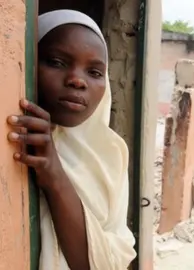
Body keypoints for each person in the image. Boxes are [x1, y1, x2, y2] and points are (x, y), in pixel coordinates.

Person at [6, 10, 136, 270]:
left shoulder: (111, 154)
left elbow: (112, 260)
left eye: (95, 72)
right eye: (56, 61)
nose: (77, 80)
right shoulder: (12, 135)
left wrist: (54, 174)